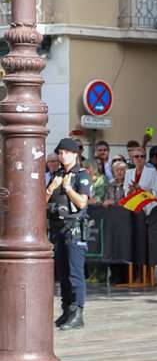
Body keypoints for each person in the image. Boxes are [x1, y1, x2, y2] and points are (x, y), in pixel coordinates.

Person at [46, 139, 92, 330]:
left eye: (66, 152)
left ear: (75, 154)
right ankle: (66, 310)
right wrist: (51, 187)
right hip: (57, 228)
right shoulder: (56, 174)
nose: (62, 155)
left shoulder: (81, 175)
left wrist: (67, 188)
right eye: (60, 152)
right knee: (62, 273)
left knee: (75, 273)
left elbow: (82, 203)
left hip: (74, 228)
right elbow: (43, 199)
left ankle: (77, 313)